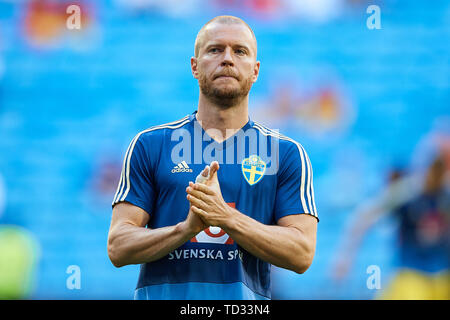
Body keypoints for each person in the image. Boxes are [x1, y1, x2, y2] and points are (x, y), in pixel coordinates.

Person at [107, 15, 319, 300]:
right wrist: (186, 229)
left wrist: (226, 217)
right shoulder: (150, 145)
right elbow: (118, 247)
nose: (228, 59)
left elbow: (302, 253)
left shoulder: (285, 154)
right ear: (194, 66)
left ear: (255, 71)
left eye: (240, 51)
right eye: (215, 50)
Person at [332, 154, 450, 299]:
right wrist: (345, 256)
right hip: (410, 274)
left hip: (442, 276)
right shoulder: (408, 191)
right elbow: (365, 216)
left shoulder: (444, 195)